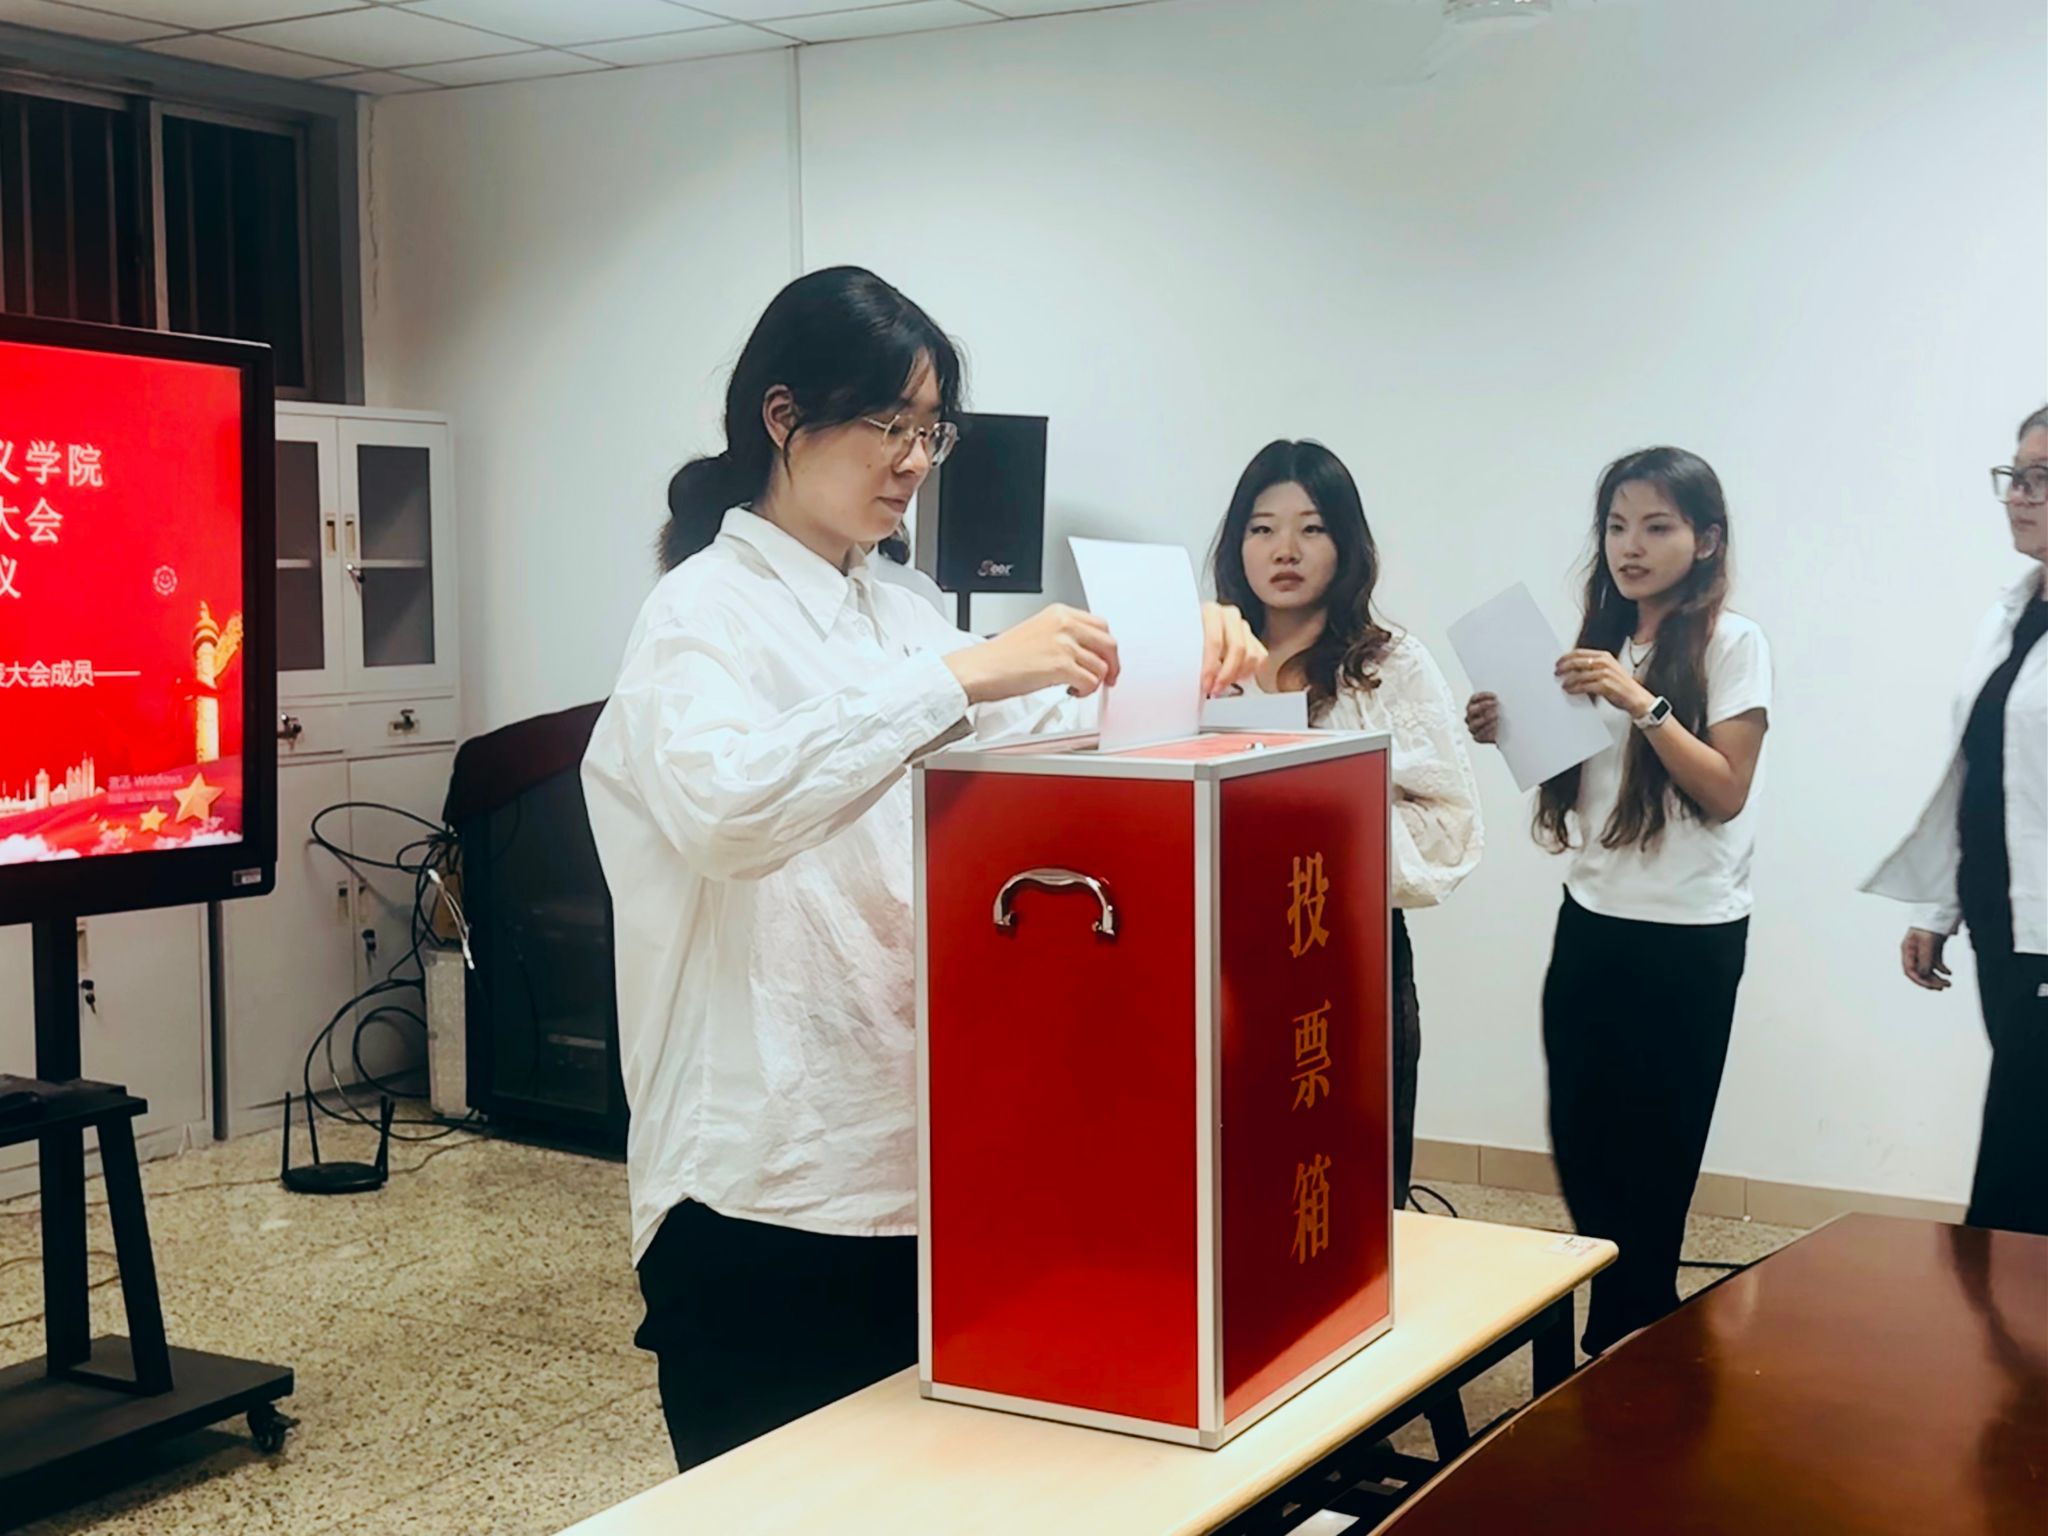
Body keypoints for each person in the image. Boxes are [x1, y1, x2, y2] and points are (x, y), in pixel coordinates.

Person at [581, 266, 1264, 1469]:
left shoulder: (897, 605)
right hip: (761, 1184)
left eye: (929, 431)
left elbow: (1041, 735)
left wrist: (1183, 658)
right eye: (887, 425)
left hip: (919, 1159)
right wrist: (959, 675)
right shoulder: (698, 616)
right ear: (782, 417)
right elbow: (730, 813)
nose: (912, 461)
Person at [1465, 447, 1770, 1354]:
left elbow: (1726, 789)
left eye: (1656, 526)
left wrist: (1642, 702)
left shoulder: (1734, 643)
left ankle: (1635, 1332)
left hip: (1691, 936)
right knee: (1583, 1135)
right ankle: (1620, 1318)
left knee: (1658, 1151)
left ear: (1705, 540)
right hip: (1593, 919)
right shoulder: (1597, 644)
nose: (1630, 546)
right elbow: (1576, 781)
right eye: (1616, 526)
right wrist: (1505, 726)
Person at [1207, 439, 1482, 1207]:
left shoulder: (1388, 666)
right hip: (1225, 961)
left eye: (1312, 528)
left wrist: (1326, 818)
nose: (1285, 551)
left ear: (1347, 543)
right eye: (1263, 529)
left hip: (1348, 956)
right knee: (1238, 1178)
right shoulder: (1207, 665)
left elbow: (1447, 824)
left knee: (1349, 1183)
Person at [1868, 405, 2048, 1237]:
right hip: (2000, 921)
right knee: (2028, 1139)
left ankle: (1993, 1316)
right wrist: (1938, 908)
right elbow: (1980, 778)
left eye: (2042, 479)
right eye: (2015, 475)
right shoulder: (2008, 616)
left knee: (2016, 1164)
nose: (2019, 495)